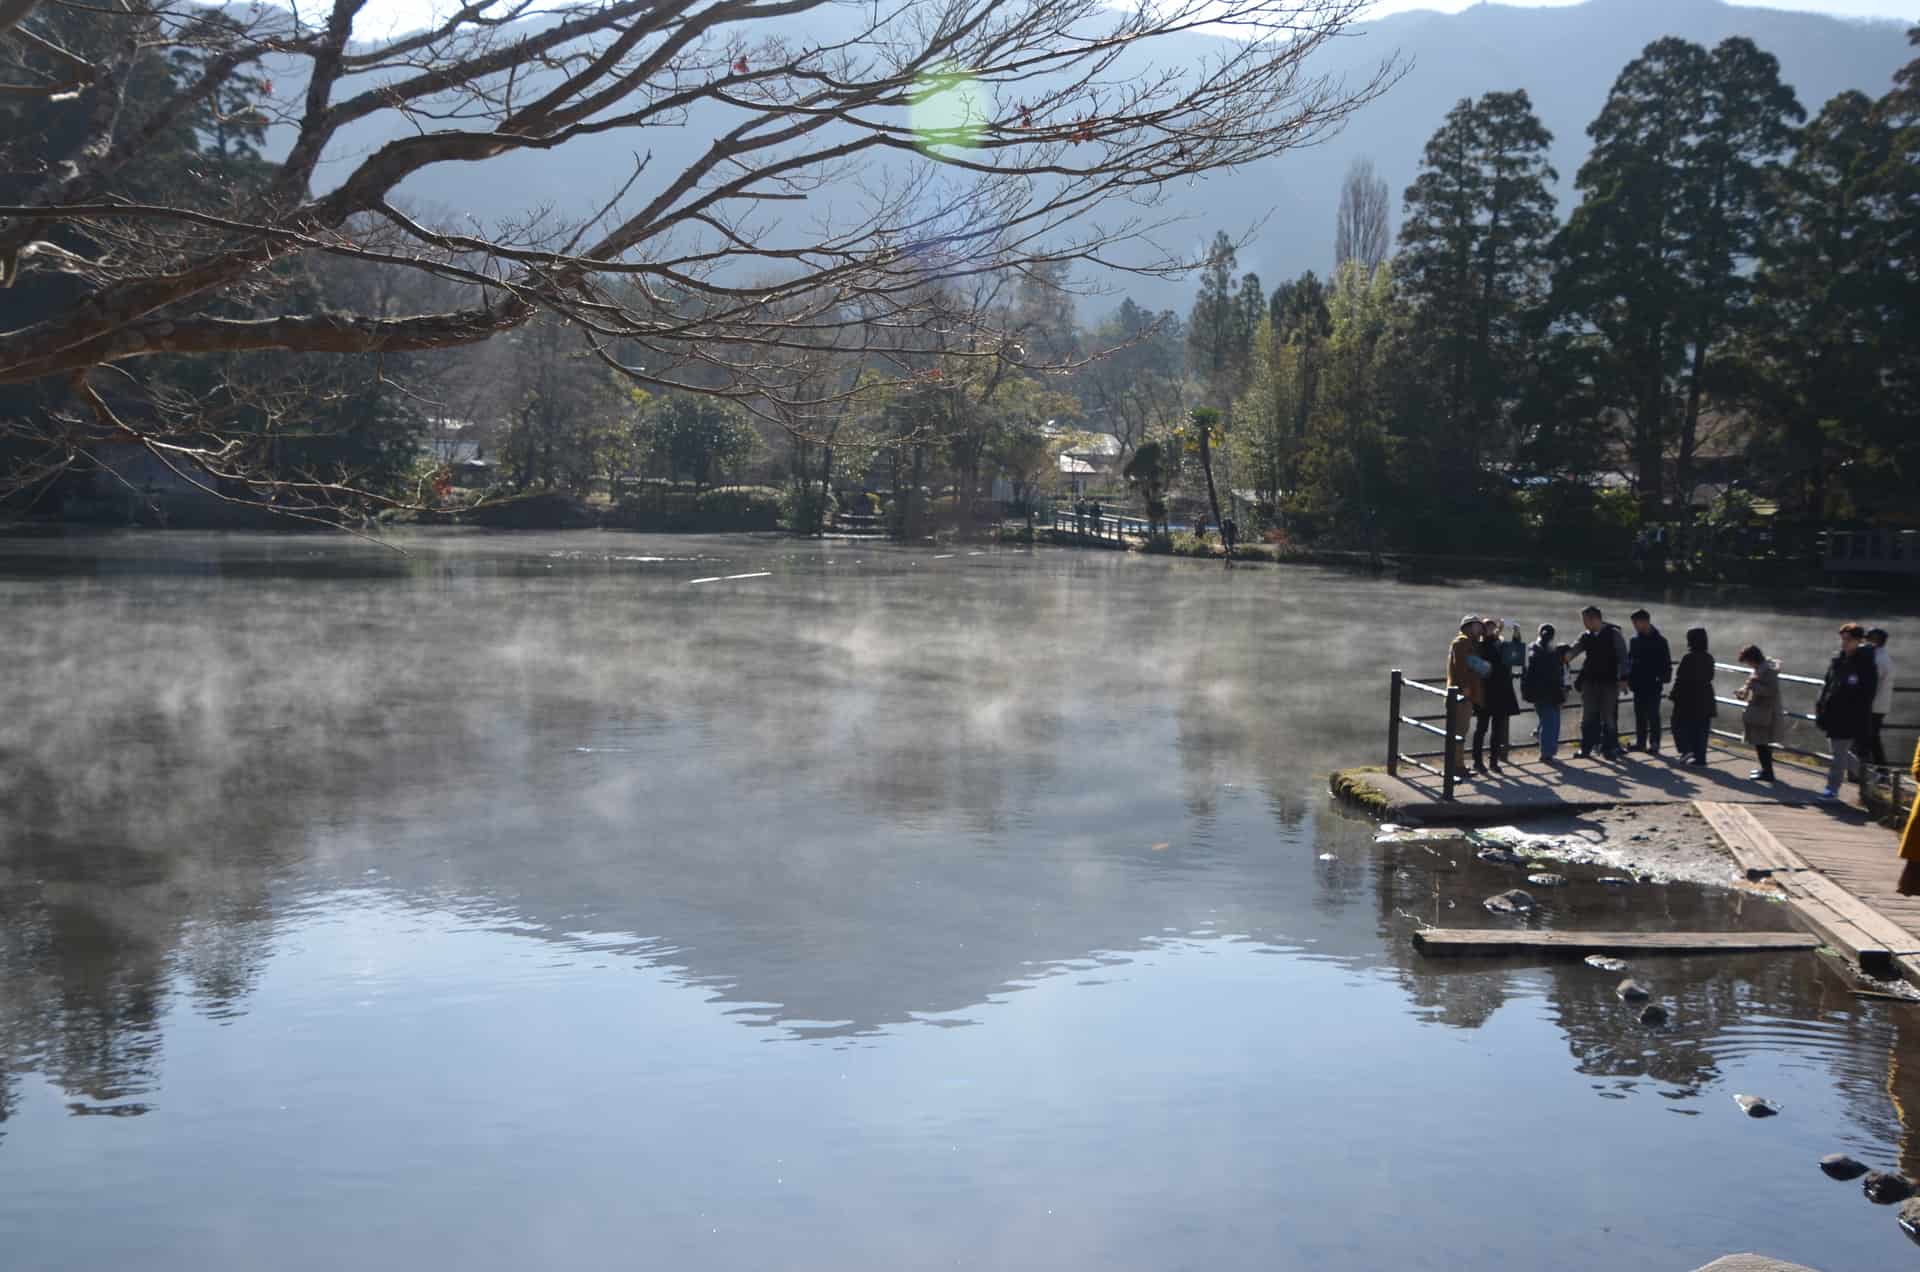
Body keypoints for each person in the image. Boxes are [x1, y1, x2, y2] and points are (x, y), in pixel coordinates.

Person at [1815, 622, 1879, 801]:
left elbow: (1868, 692)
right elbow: (1828, 685)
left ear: (1858, 641)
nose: (1844, 643)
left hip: (1850, 715)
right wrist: (1821, 707)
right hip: (1832, 712)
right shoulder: (1838, 659)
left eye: (1848, 640)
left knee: (1838, 753)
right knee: (1839, 751)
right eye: (1842, 639)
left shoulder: (1865, 662)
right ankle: (1872, 776)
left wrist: (1856, 712)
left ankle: (1832, 789)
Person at [1571, 605, 1628, 760]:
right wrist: (1559, 655)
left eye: (1585, 620)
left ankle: (1609, 748)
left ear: (1594, 619)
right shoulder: (1586, 636)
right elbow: (1573, 651)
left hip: (1609, 682)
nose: (1584, 623)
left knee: (1608, 716)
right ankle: (1586, 748)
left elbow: (1623, 657)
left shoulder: (1613, 634)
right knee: (1588, 716)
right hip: (1590, 682)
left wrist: (1623, 678)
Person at [1626, 608, 1673, 756]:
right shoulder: (1634, 640)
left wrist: (1662, 677)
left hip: (1653, 683)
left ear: (1645, 621)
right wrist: (1628, 679)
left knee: (1653, 714)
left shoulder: (1660, 641)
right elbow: (1630, 660)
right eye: (1633, 623)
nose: (1634, 625)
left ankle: (1654, 743)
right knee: (1639, 714)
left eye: (1636, 622)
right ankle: (1640, 743)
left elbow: (1666, 662)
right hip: (1638, 683)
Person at [1736, 643, 1785, 783]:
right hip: (1761, 710)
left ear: (1752, 659)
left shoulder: (1767, 671)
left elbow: (1770, 691)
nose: (1748, 665)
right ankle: (1765, 771)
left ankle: (1768, 773)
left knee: (1762, 743)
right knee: (1761, 743)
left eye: (1747, 662)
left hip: (1764, 712)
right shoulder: (1761, 668)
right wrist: (1744, 691)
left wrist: (1753, 686)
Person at [1477, 617, 1521, 771]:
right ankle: (1478, 762)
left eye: (1493, 627)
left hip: (1501, 691)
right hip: (1486, 691)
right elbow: (1488, 648)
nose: (1491, 629)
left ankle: (1493, 761)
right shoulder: (1481, 645)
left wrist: (1516, 632)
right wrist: (1498, 633)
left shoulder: (1501, 644)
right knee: (1482, 728)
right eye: (1488, 627)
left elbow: (1516, 652)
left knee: (1498, 730)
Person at [1667, 627, 1715, 766]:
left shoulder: (1688, 657)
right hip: (1705, 696)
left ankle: (1685, 749)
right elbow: (1710, 676)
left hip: (1687, 697)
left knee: (1677, 723)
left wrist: (1674, 695)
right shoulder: (1709, 657)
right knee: (1701, 728)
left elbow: (1680, 678)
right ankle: (1700, 758)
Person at [1446, 617, 1487, 777]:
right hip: (1461, 694)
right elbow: (1461, 666)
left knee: (1460, 731)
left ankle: (1457, 764)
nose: (1480, 629)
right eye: (1478, 626)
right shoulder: (1462, 642)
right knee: (1459, 731)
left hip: (1462, 693)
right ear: (1468, 627)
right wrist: (1465, 687)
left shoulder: (1468, 642)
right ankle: (1456, 766)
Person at [1522, 622, 1568, 763]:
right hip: (1551, 692)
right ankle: (1546, 753)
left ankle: (1541, 738)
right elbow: (1556, 675)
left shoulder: (1532, 650)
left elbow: (1526, 672)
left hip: (1536, 692)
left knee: (1546, 718)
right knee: (1551, 722)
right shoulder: (1553, 652)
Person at [1869, 627, 1895, 770]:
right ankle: (1880, 771)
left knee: (1872, 739)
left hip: (1875, 706)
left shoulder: (1878, 659)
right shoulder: (1883, 657)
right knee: (1872, 739)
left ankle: (1882, 771)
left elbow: (1873, 683)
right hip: (1879, 705)